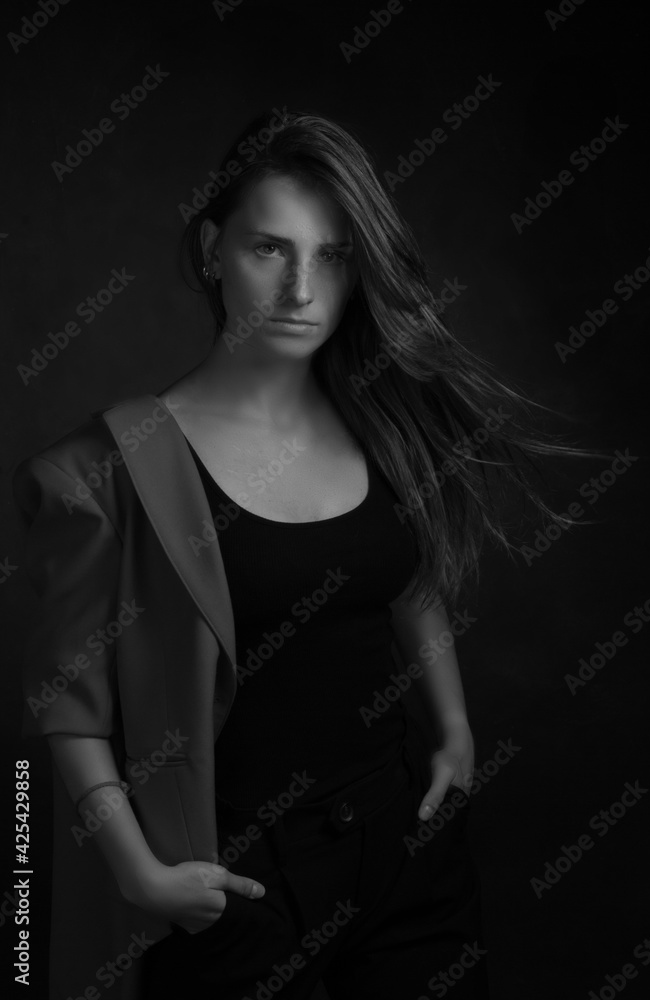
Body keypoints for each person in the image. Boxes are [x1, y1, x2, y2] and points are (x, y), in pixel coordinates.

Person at [13, 109, 591, 1000]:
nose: (300, 290)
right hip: (236, 873)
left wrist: (454, 728)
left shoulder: (383, 418)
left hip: (405, 839)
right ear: (212, 250)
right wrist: (137, 871)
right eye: (268, 250)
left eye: (332, 255)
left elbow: (406, 585)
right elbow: (69, 705)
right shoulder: (99, 472)